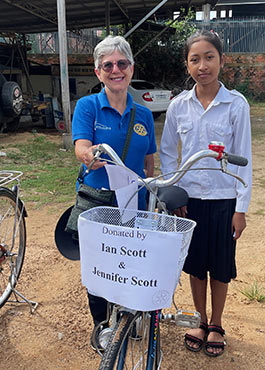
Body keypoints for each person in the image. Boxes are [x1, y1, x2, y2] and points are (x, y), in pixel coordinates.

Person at [159, 30, 252, 357]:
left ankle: (216, 323)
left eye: (209, 57)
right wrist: (174, 191)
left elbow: (245, 158)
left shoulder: (236, 105)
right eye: (195, 59)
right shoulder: (178, 106)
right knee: (196, 265)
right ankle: (199, 318)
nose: (202, 65)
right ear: (187, 64)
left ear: (221, 60)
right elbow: (168, 151)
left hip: (224, 200)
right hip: (190, 202)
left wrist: (241, 207)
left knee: (221, 266)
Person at [71, 35, 157, 351]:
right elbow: (81, 146)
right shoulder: (88, 106)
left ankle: (127, 315)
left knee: (130, 263)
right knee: (99, 267)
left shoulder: (144, 115)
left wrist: (151, 190)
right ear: (98, 72)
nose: (115, 69)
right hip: (99, 202)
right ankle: (102, 326)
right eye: (108, 65)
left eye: (121, 63)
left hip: (135, 203)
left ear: (131, 68)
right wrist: (88, 155)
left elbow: (149, 162)